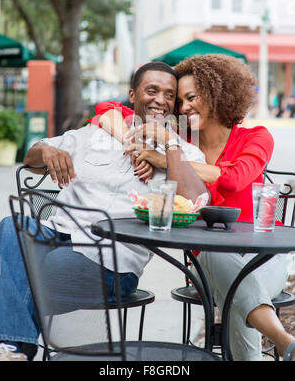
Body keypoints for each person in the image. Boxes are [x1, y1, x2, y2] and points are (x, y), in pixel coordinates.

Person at [0, 61, 207, 362]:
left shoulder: (185, 152)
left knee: (10, 270)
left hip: (110, 261)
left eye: (169, 95)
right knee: (10, 226)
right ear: (132, 96)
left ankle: (14, 348)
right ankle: (12, 351)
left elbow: (197, 201)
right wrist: (47, 150)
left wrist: (170, 146)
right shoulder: (95, 134)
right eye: (152, 90)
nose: (160, 100)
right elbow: (31, 157)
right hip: (56, 234)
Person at [94, 54, 295, 361]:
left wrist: (166, 158)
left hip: (262, 255)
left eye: (192, 98)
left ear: (217, 95)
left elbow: (233, 180)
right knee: (217, 258)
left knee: (240, 290)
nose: (184, 107)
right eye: (181, 102)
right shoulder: (183, 138)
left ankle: (281, 341)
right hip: (205, 262)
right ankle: (283, 340)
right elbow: (106, 110)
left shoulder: (255, 138)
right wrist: (136, 148)